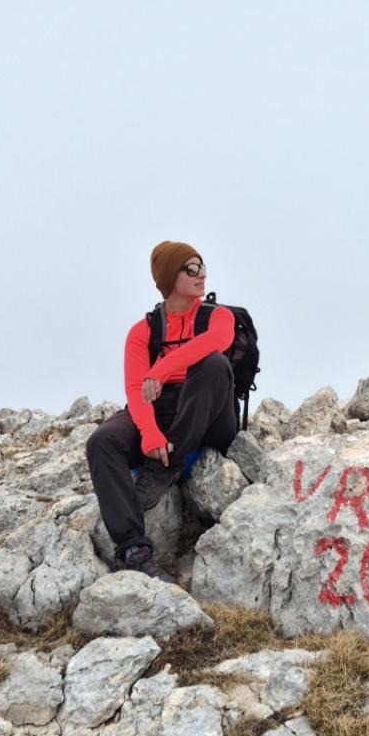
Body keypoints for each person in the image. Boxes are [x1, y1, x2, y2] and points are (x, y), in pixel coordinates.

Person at [85, 241, 238, 584]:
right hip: (164, 412)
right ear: (170, 278)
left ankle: (164, 467)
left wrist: (162, 369)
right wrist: (151, 434)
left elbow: (216, 342)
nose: (201, 275)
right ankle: (134, 551)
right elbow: (136, 390)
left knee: (213, 365)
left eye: (202, 266)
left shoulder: (218, 317)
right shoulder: (142, 332)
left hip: (211, 414)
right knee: (102, 442)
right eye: (191, 269)